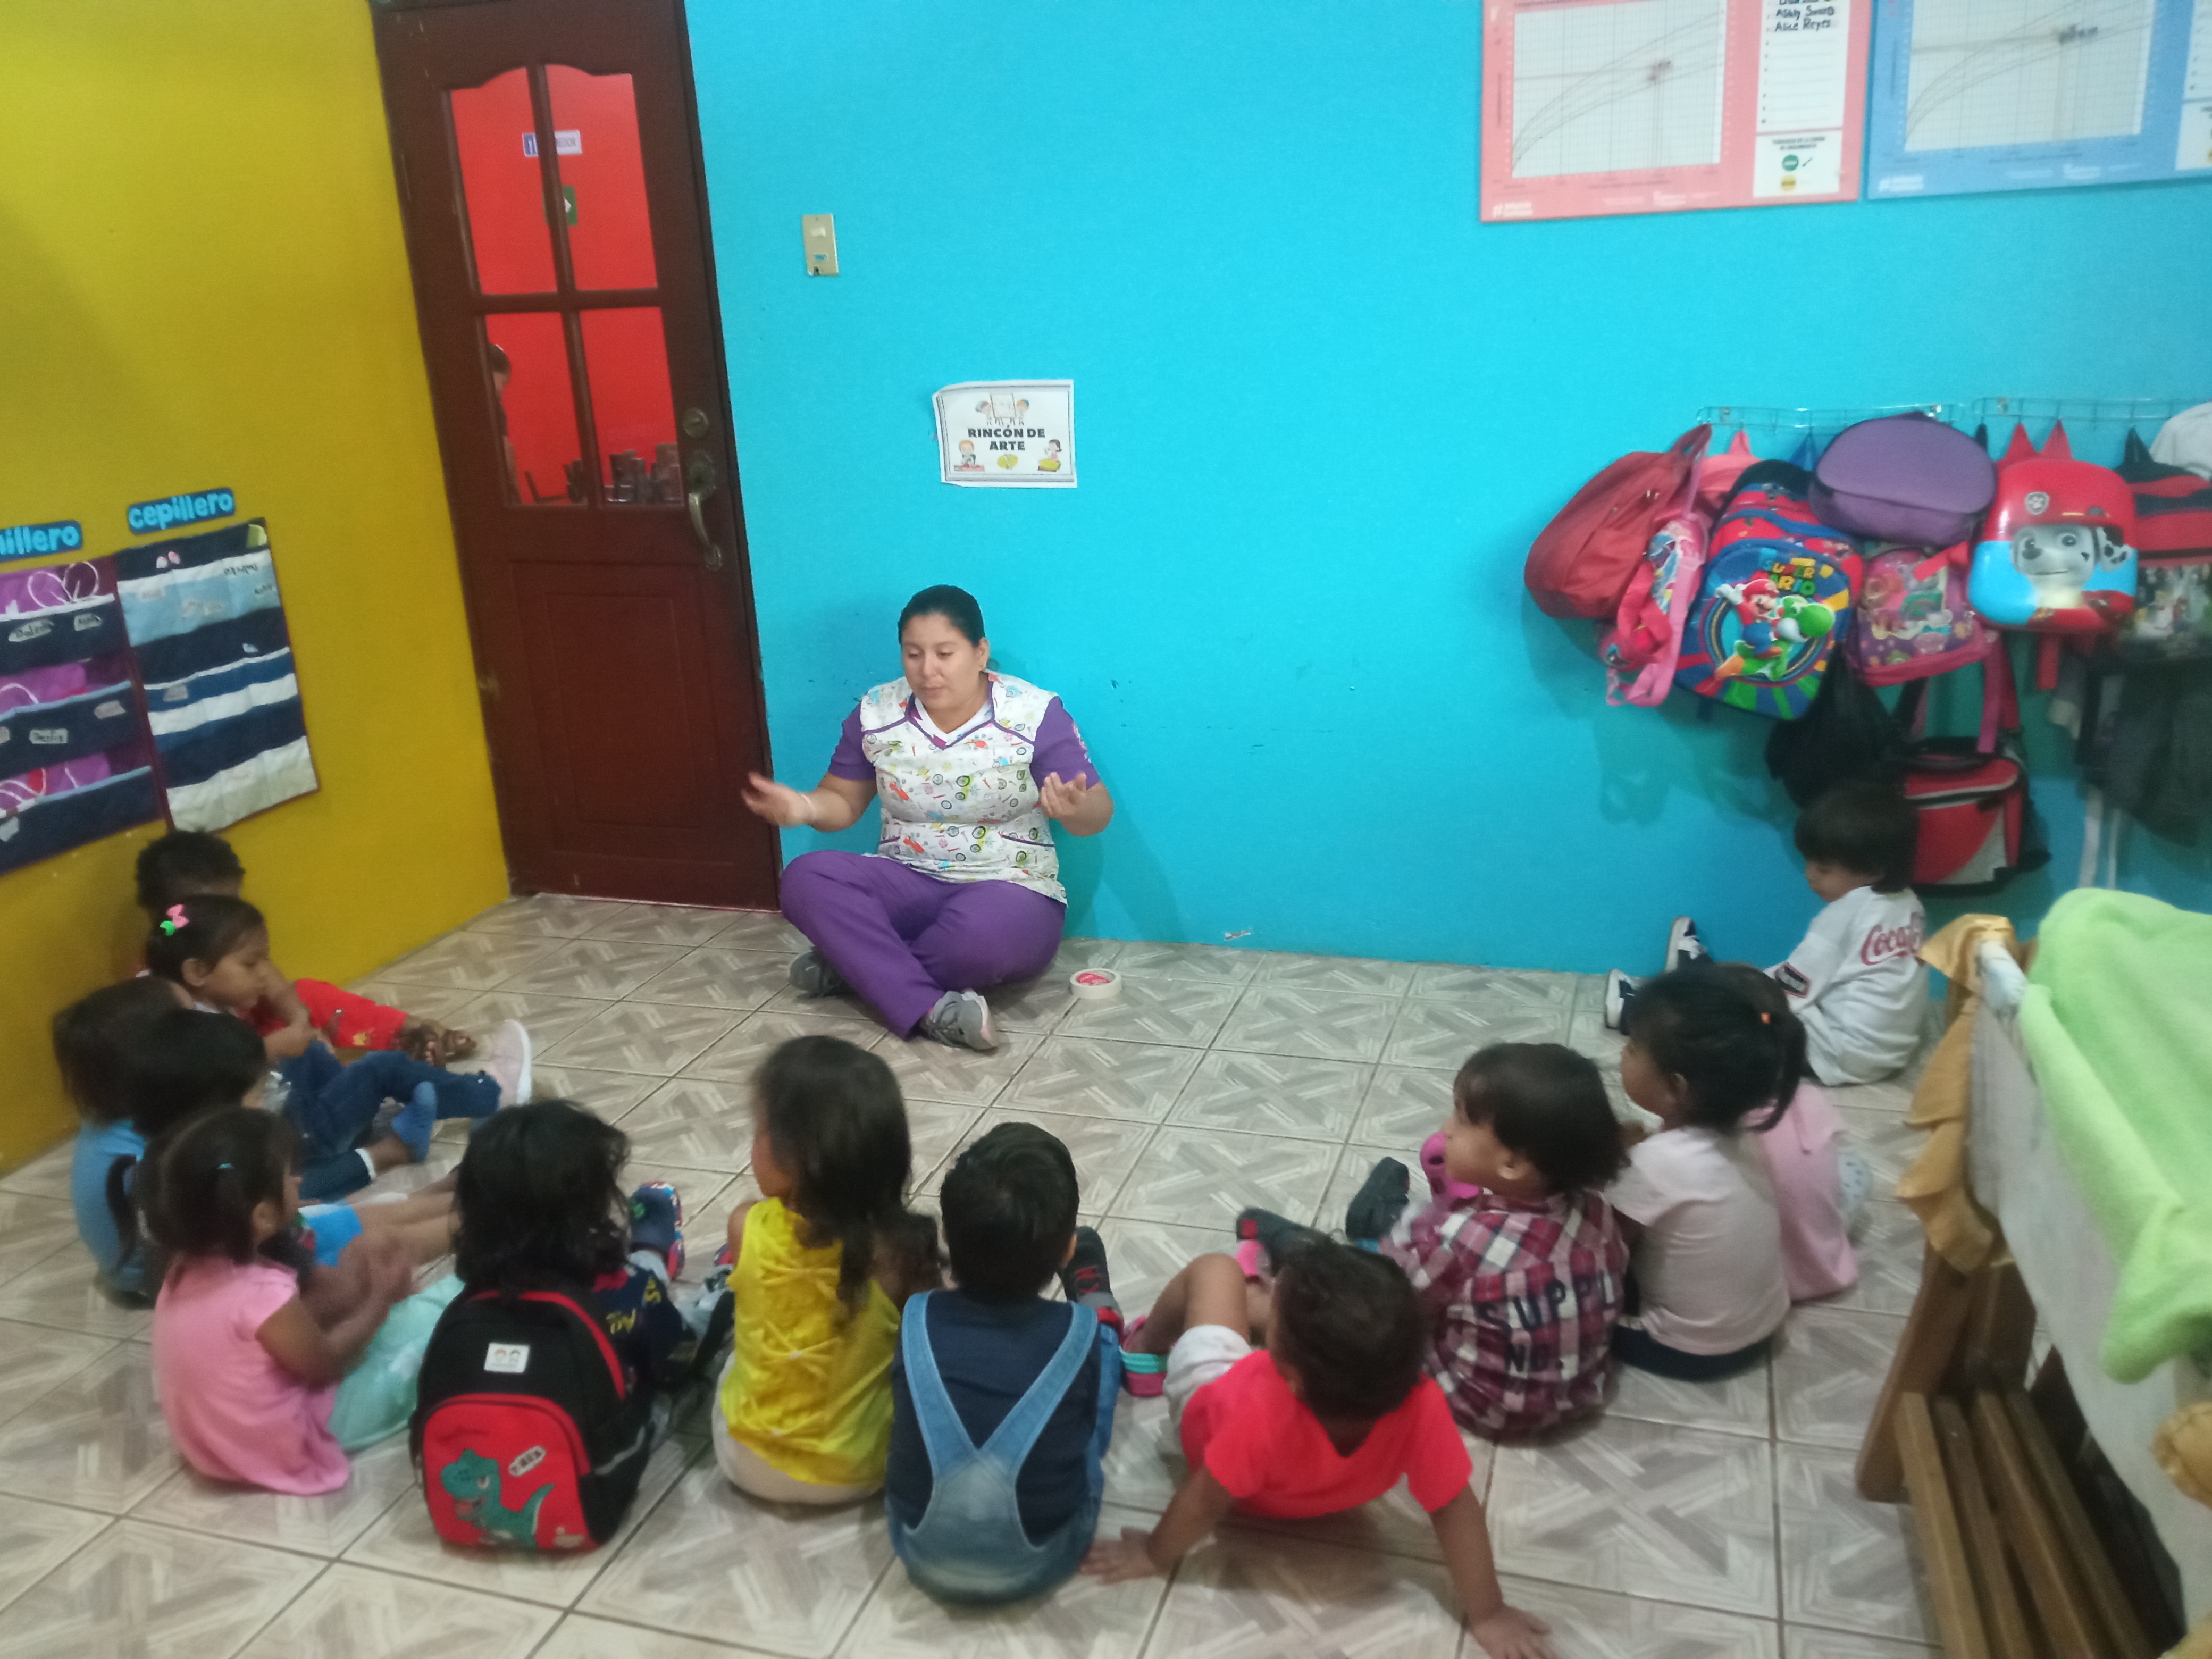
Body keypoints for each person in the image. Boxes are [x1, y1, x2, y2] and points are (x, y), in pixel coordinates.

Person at [1085, 1239, 1553, 1659]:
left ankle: (1145, 1345)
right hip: (1313, 1485)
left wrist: (1153, 1554)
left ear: (1288, 1373)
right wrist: (1489, 1613)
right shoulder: (1422, 1403)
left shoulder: (1260, 1411)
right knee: (1293, 1316)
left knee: (1215, 1270)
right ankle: (1272, 1306)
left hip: (1211, 1419)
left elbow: (1205, 1500)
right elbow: (1454, 1507)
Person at [741, 585, 1112, 1051]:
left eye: (945, 653)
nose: (927, 670)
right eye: (913, 654)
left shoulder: (1033, 712)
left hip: (1011, 888)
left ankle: (858, 968)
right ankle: (932, 1009)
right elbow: (842, 802)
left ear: (980, 653)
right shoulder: (877, 712)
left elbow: (1098, 814)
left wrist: (1076, 810)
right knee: (806, 878)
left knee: (979, 941)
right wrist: (806, 807)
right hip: (906, 880)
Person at [58, 996, 460, 1300]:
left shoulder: (173, 1130)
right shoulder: (192, 1168)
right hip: (238, 1275)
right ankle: (475, 1221)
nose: (266, 1097)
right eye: (256, 1092)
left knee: (358, 1218)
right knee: (374, 1243)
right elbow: (273, 1259)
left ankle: (452, 1197)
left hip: (249, 1243)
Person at [144, 896, 527, 1200]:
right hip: (293, 1140)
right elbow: (225, 1080)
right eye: (251, 964)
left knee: (310, 1054)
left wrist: (295, 1034)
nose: (264, 974)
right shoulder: (197, 1030)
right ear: (197, 972)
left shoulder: (192, 1007)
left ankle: (373, 1118)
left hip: (284, 1124)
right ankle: (491, 1093)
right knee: (380, 1067)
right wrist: (273, 1047)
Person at [886, 1122, 1123, 1602]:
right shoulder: (1076, 1332)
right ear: (1067, 1250)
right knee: (1100, 1355)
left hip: (919, 1548)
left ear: (947, 1236)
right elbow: (1083, 1427)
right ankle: (1098, 1302)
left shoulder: (915, 1316)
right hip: (1043, 1558)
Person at [1345, 1045, 1630, 1440]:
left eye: (1461, 1120)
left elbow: (1403, 1302)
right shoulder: (1599, 1212)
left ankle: (1376, 1219)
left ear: (1512, 1164)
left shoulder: (1462, 1238)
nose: (1446, 1128)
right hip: (1577, 1397)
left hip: (1480, 1402)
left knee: (1365, 1282)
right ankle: (1396, 1212)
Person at [710, 1035, 942, 1502]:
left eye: (760, 1130)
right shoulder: (901, 1250)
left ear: (797, 1159)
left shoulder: (743, 1226)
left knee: (731, 1359)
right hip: (861, 1471)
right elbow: (929, 1343)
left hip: (744, 1462)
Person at [144, 1107, 420, 1494]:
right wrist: (381, 1300)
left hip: (213, 1448)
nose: (298, 1179)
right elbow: (325, 1366)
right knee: (422, 1341)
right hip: (276, 1446)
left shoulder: (181, 1270)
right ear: (262, 1216)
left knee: (362, 1276)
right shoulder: (261, 1295)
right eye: (289, 1177)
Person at [1604, 782, 1926, 1086]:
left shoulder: (1847, 914)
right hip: (1886, 1056)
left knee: (1743, 1017)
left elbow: (1789, 989)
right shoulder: (1909, 905)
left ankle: (1636, 1014)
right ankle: (1699, 972)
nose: (1808, 875)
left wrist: (1728, 994)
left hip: (1832, 1053)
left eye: (1823, 869)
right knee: (1745, 982)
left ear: (1875, 869)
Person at [450, 1101, 716, 1410]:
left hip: (504, 1435)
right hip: (605, 1437)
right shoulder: (625, 1291)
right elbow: (675, 1363)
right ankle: (663, 1259)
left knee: (639, 1289)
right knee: (688, 1311)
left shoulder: (469, 1303)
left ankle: (651, 1259)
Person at [135, 830, 477, 1063]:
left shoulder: (234, 951)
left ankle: (413, 1031)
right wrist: (273, 1048)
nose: (232, 917)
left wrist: (300, 1021)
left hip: (251, 1033)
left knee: (308, 994)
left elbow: (277, 988)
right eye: (217, 909)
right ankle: (393, 1055)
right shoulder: (157, 987)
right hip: (235, 1061)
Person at [1607, 967, 1796, 1379]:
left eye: (1634, 1047)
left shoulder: (1657, 1162)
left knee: (1562, 1305)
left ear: (1676, 1088)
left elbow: (1608, 1247)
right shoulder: (1744, 1133)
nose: (1623, 1055)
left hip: (1693, 1350)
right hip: (1765, 1326)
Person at [1711, 963, 1869, 1301]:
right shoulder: (1812, 1099)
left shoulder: (1705, 1116)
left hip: (1752, 1284)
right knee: (1855, 1168)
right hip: (1823, 1270)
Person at [55, 977, 190, 1304]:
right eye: (194, 1022)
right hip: (151, 1276)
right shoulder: (151, 1142)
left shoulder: (117, 1109)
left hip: (132, 1265)